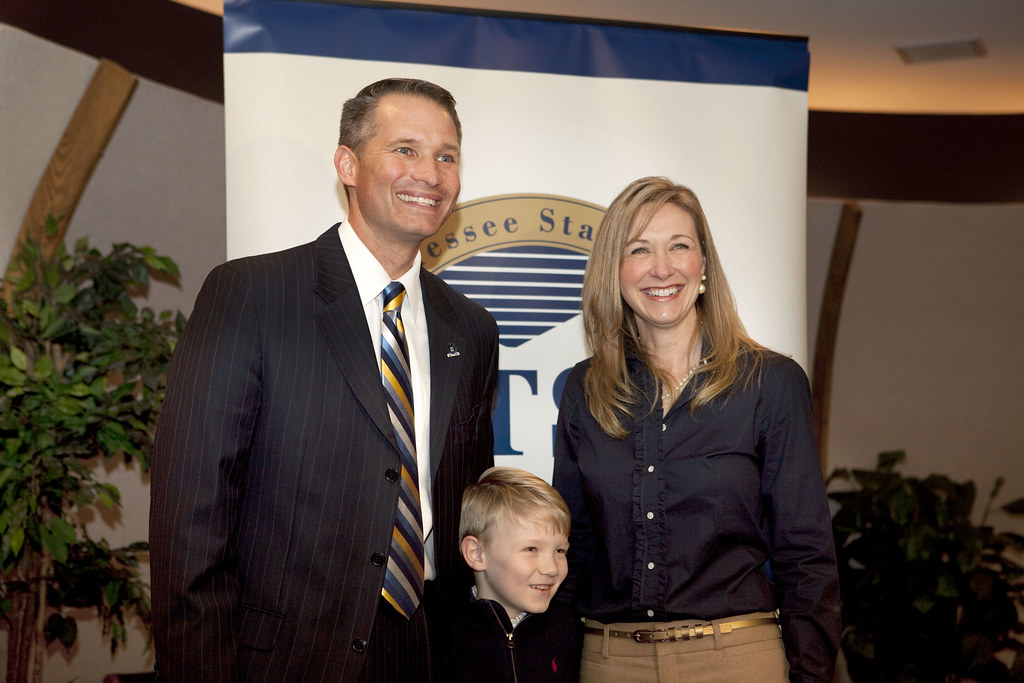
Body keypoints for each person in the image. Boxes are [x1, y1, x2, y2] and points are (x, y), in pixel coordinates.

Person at [149, 78, 499, 682]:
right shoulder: (251, 295)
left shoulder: (470, 328)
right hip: (283, 659)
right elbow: (191, 516)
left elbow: (469, 508)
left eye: (447, 156)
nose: (431, 174)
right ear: (348, 164)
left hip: (428, 652)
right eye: (405, 150)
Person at [552, 176, 841, 682]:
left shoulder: (769, 383)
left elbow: (806, 552)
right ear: (614, 272)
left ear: (703, 264)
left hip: (736, 659)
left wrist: (811, 674)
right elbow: (572, 547)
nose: (662, 268)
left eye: (679, 246)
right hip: (609, 662)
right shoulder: (586, 387)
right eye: (638, 249)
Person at [452, 466, 579, 682]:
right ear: (477, 553)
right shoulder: (444, 637)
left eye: (560, 551)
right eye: (531, 549)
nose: (551, 568)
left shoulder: (566, 631)